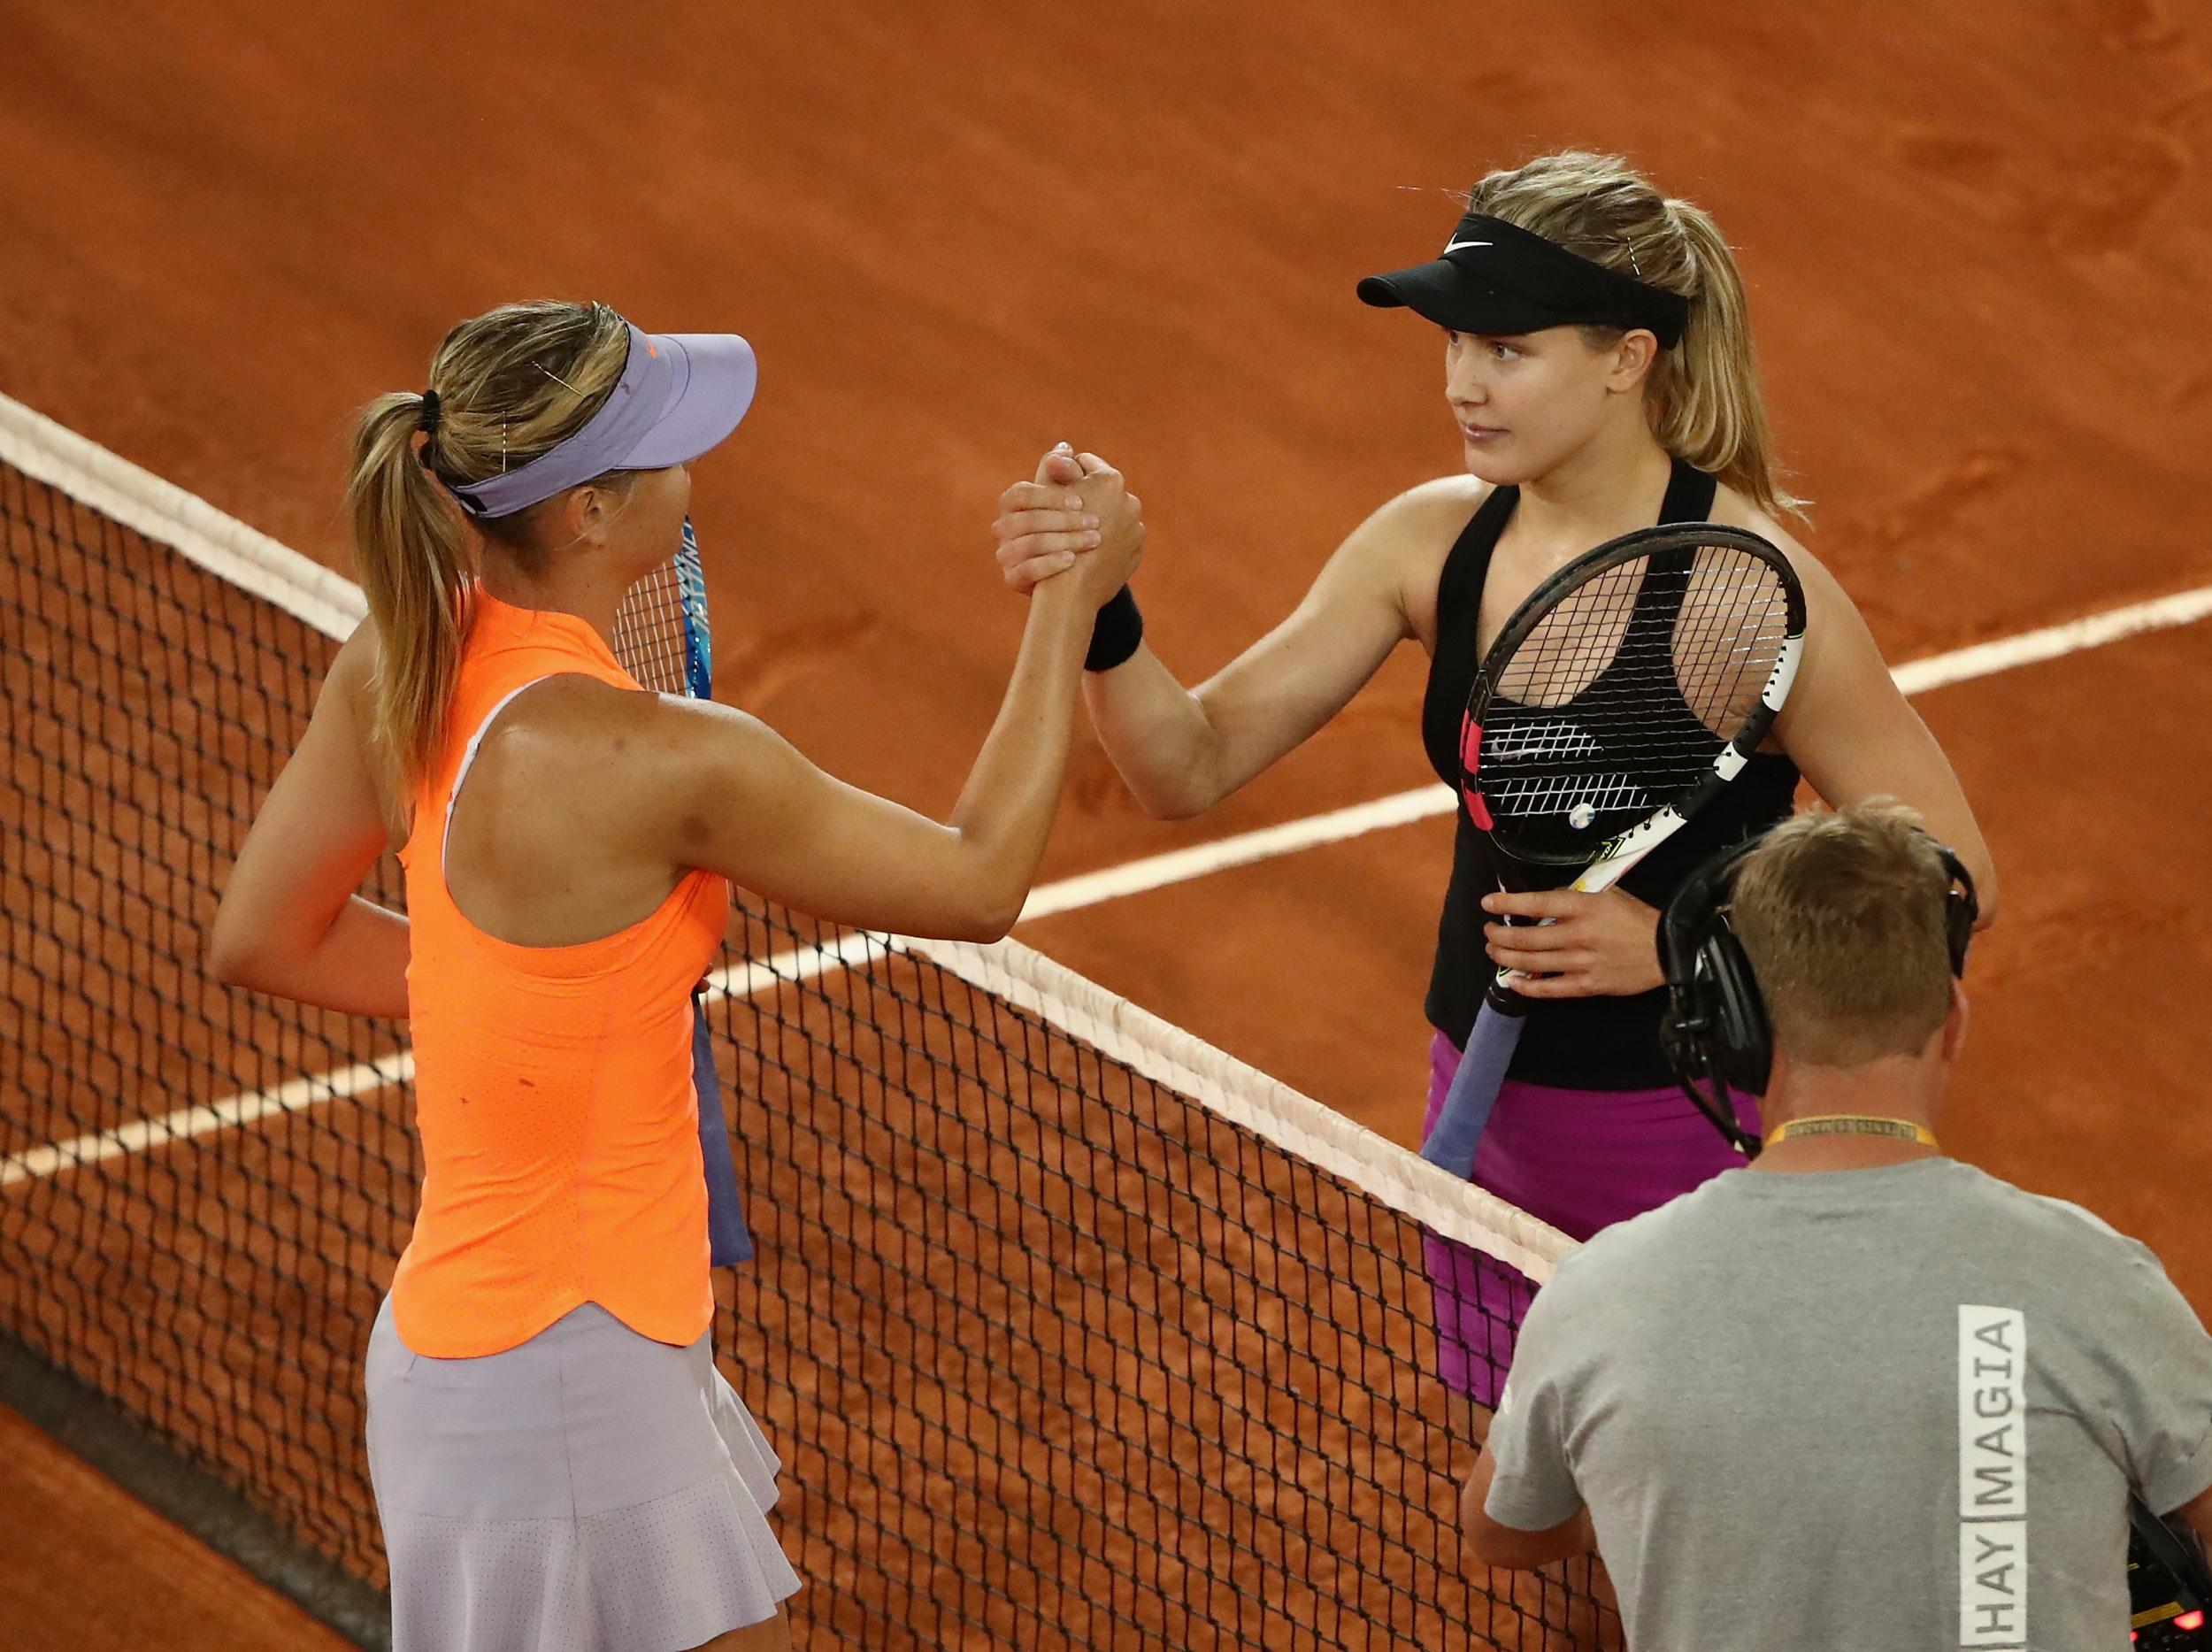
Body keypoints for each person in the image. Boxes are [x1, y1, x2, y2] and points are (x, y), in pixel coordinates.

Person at [989, 150, 1998, 1413]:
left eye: (1507, 350)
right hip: (1479, 1102)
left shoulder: (1745, 589)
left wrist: (1689, 940)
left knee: (1678, 1512)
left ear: (1627, 357)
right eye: (1454, 343)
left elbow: (1951, 873)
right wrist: (1101, 608)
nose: (1463, 382)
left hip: (1690, 1130)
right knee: (1535, 1513)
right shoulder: (1430, 541)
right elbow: (1186, 764)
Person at [209, 299, 1142, 1652]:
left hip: (491, 1353)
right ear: (588, 513)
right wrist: (1072, 593)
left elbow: (267, 934)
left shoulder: (398, 664)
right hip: (569, 1384)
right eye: (672, 448)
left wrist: (550, 1004)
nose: (701, 469)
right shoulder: (670, 760)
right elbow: (979, 880)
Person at [1462, 802, 2212, 1649]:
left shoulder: (1600, 1295)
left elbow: (1507, 1528)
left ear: (1734, 1032)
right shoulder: (2097, 1279)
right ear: (1953, 1020)